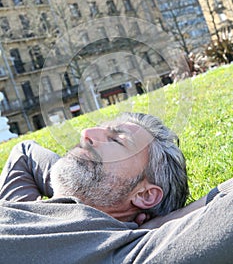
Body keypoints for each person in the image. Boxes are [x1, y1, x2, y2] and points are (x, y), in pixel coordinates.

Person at [0, 112, 232, 263]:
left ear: (145, 195)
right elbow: (25, 152)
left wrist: (159, 226)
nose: (86, 134)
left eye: (117, 140)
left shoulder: (121, 252)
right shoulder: (30, 209)